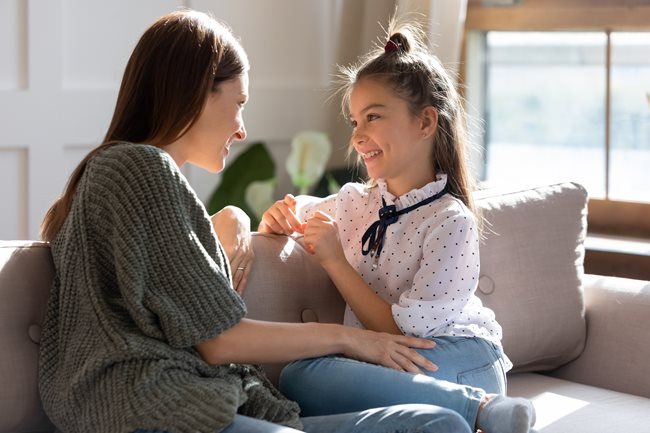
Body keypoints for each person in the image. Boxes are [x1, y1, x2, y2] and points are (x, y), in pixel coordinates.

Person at [37, 9, 479, 433]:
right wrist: (352, 340)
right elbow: (220, 341)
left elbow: (162, 281)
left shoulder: (133, 175)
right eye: (240, 102)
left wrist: (228, 219)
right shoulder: (138, 168)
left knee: (436, 425)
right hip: (144, 408)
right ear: (195, 90)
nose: (243, 129)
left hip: (194, 401)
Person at [259, 15, 536, 433]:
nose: (357, 136)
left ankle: (481, 410)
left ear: (425, 122)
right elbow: (296, 211)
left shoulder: (450, 222)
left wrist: (336, 261)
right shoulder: (355, 202)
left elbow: (399, 333)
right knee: (299, 376)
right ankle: (439, 422)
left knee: (324, 378)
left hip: (458, 359)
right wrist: (276, 217)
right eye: (355, 121)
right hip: (385, 362)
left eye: (373, 117)